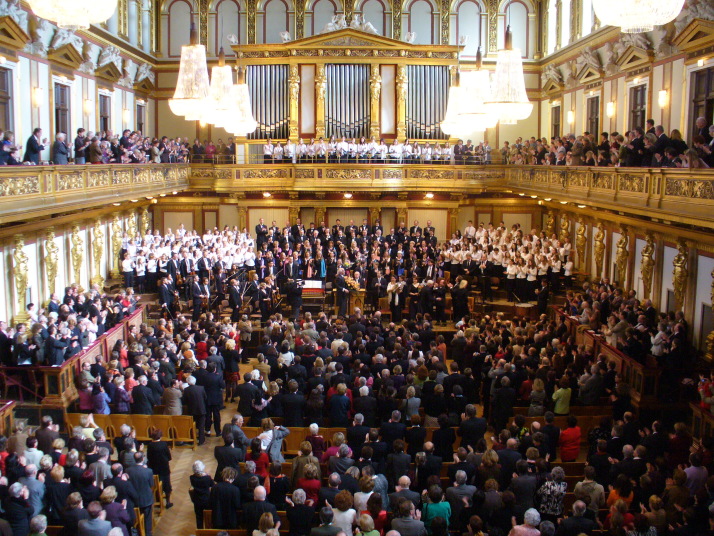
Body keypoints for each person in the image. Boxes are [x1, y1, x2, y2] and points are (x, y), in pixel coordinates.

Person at [183, 375, 208, 446]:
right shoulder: (201, 388)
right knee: (201, 426)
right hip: (201, 409)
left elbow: (184, 401)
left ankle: (192, 440)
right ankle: (201, 440)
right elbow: (205, 397)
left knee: (191, 425)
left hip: (192, 410)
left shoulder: (186, 390)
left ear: (188, 382)